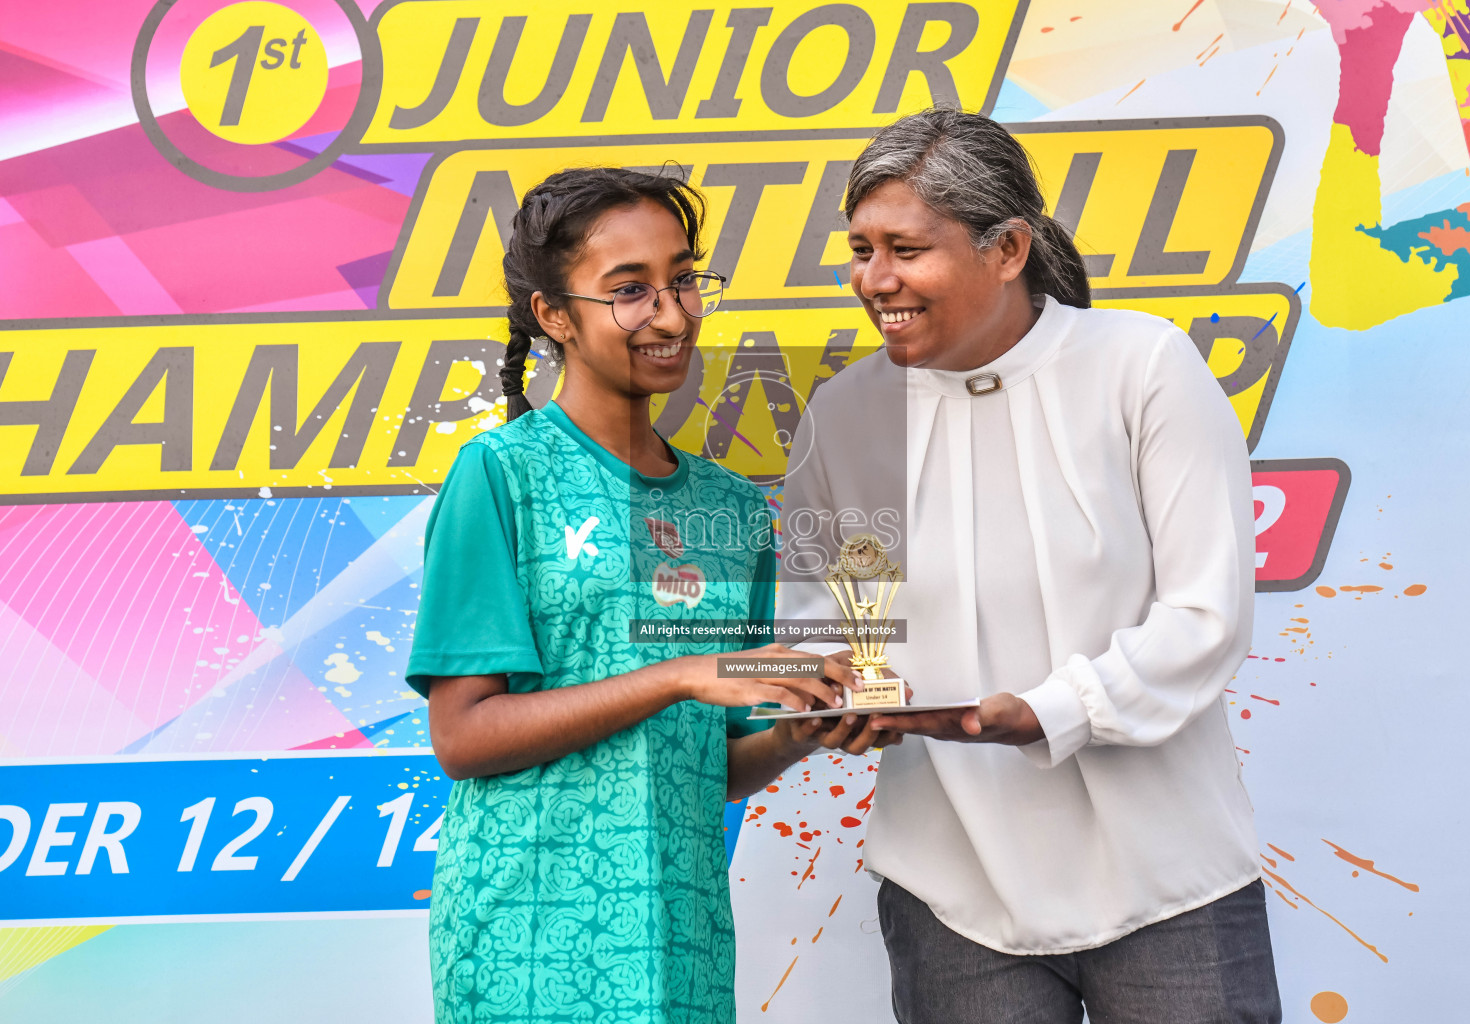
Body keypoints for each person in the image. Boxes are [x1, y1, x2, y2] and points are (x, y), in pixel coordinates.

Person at [778, 110, 1282, 1022]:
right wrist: (832, 687)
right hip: (949, 890)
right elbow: (812, 616)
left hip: (1171, 881)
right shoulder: (844, 415)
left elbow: (1205, 618)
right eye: (860, 249)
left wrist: (1052, 712)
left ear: (1007, 248)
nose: (874, 280)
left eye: (906, 249)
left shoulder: (1141, 365)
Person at [406, 167, 851, 1024]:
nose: (673, 314)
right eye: (630, 290)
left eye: (684, 280)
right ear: (553, 316)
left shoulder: (731, 510)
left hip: (679, 941)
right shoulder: (502, 475)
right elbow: (463, 737)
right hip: (527, 940)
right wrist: (679, 674)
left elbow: (715, 761)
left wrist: (802, 731)